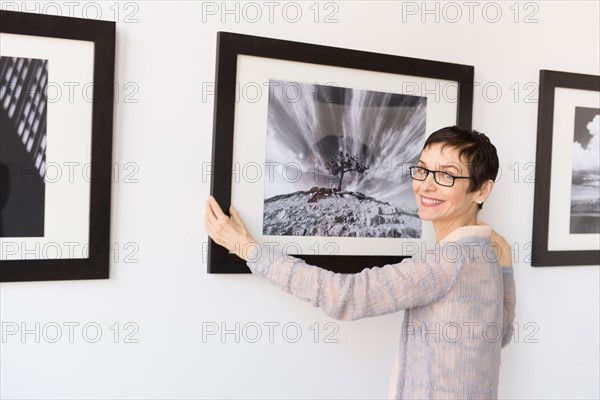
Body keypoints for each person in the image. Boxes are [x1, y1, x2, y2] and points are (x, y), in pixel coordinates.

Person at [205, 126, 516, 399]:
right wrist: (506, 268)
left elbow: (347, 296)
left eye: (446, 175)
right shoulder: (485, 253)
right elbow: (498, 335)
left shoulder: (449, 260)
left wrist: (246, 249)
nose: (426, 185)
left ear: (482, 190)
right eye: (422, 169)